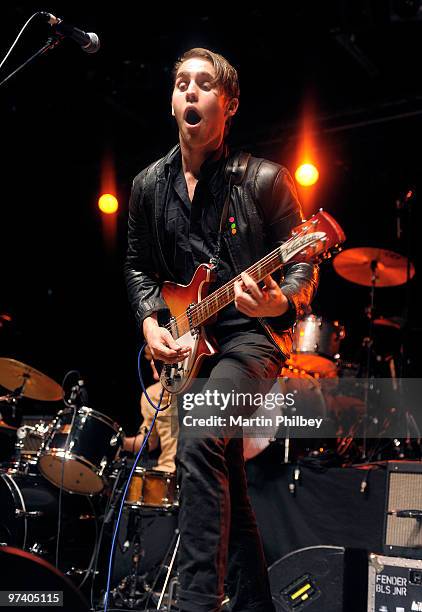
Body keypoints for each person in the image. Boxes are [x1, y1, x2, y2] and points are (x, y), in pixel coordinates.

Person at [124, 47, 318, 612]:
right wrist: (149, 320)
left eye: (204, 84)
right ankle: (255, 603)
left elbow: (304, 256)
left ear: (227, 105)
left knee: (202, 438)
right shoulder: (146, 186)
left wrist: (281, 300)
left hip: (252, 339)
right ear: (171, 100)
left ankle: (196, 603)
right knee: (222, 472)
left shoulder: (264, 179)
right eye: (181, 82)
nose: (190, 91)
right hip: (191, 343)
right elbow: (138, 264)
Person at [123, 345, 177, 472]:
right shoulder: (151, 394)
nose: (152, 362)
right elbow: (149, 442)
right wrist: (121, 441)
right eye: (152, 358)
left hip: (198, 470)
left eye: (159, 356)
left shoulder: (199, 383)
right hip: (167, 470)